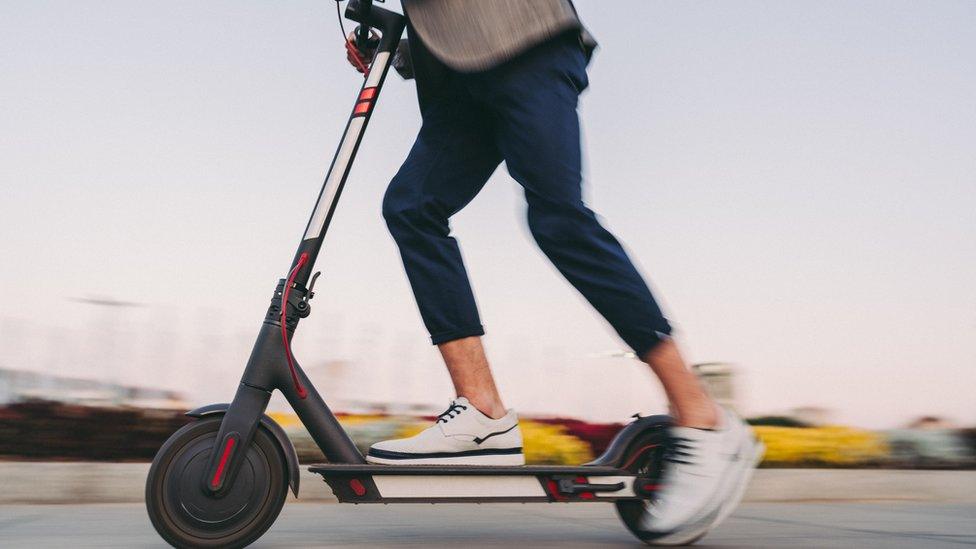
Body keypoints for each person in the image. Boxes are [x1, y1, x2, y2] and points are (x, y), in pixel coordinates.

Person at [346, 0, 762, 532]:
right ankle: (482, 413)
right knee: (411, 208)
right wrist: (400, 50)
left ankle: (702, 417)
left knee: (558, 220)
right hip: (456, 81)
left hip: (529, 49)